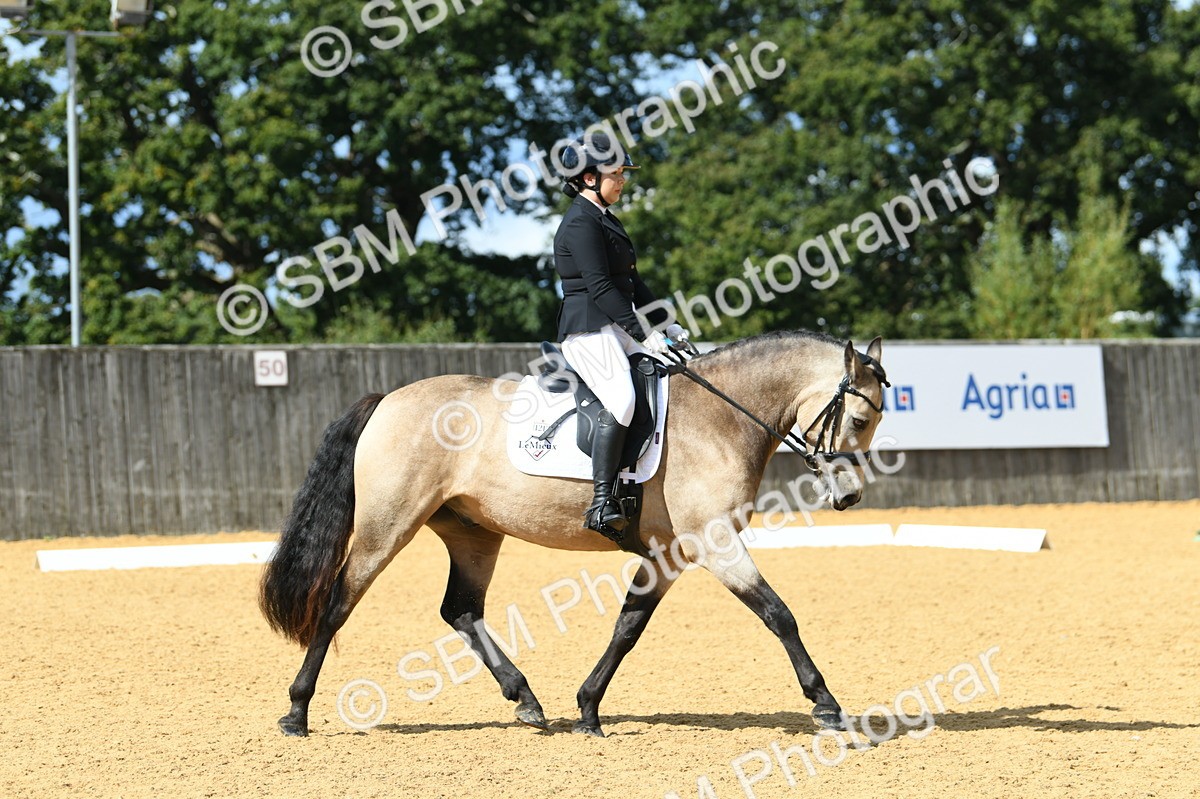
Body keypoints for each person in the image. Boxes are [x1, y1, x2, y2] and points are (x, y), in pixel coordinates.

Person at [552, 131, 692, 543]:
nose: (623, 180)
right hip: (588, 329)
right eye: (617, 174)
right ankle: (600, 501)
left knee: (676, 377)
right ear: (589, 178)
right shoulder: (579, 223)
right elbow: (600, 288)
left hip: (615, 325)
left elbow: (632, 283)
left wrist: (667, 323)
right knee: (623, 398)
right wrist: (640, 333)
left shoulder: (605, 219)